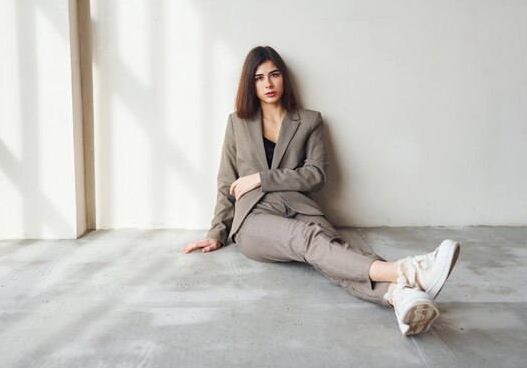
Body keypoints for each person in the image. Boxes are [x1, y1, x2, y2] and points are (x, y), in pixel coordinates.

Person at [182, 46, 461, 336]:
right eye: (259, 77)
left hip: (300, 208)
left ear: (284, 78)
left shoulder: (310, 120)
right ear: (250, 84)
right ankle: (409, 272)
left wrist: (262, 178)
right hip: (254, 217)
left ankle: (402, 297)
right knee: (309, 239)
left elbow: (315, 176)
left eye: (274, 75)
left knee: (334, 251)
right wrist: (217, 233)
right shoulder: (237, 122)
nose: (267, 84)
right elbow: (227, 181)